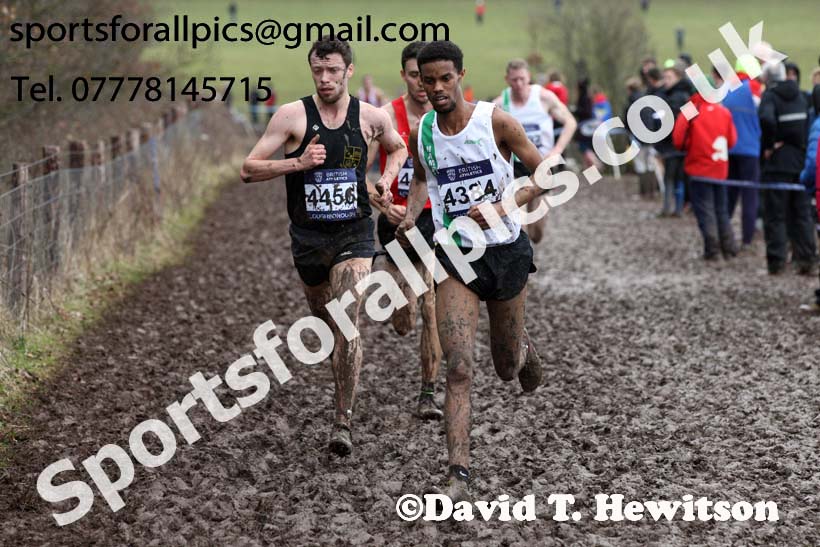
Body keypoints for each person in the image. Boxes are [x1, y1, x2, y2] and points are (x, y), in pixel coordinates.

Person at [239, 36, 408, 455]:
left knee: (347, 319)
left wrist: (386, 181)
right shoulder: (292, 116)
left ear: (349, 71)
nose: (326, 78)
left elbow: (398, 148)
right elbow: (248, 169)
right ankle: (341, 383)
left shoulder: (369, 116)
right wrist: (297, 163)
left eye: (334, 70)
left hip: (354, 234)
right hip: (309, 240)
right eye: (319, 70)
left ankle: (342, 421)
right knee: (329, 325)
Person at [396, 41, 544, 502]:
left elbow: (547, 173)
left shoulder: (495, 121)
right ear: (417, 80)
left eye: (445, 78)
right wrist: (407, 214)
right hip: (455, 257)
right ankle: (457, 473)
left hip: (505, 252)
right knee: (459, 368)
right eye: (428, 79)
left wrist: (505, 203)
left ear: (461, 75)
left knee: (504, 368)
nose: (437, 88)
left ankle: (521, 347)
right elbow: (423, 177)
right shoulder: (422, 132)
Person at [364, 41, 442, 420]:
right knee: (402, 319)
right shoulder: (383, 116)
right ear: (404, 75)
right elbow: (355, 171)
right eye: (414, 76)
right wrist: (382, 203)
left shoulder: (449, 115)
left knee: (430, 303)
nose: (422, 85)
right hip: (394, 219)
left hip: (434, 221)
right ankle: (398, 295)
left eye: (427, 77)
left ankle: (428, 394)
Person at [494, 59, 577, 243]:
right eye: (514, 80)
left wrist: (558, 149)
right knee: (520, 225)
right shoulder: (501, 104)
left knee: (537, 231)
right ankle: (523, 262)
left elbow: (570, 122)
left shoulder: (543, 98)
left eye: (522, 79)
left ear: (529, 77)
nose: (519, 84)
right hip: (515, 167)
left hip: (542, 165)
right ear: (507, 79)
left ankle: (530, 244)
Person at [759, 61, 818, 275]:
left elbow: (766, 119)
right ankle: (807, 260)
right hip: (800, 161)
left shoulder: (770, 96)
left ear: (767, 79)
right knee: (801, 214)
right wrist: (801, 142)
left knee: (775, 214)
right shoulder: (803, 95)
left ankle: (777, 262)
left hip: (777, 164)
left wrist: (769, 145)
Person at [673, 90, 738, 259]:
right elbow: (732, 140)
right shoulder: (723, 111)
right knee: (721, 209)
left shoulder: (691, 109)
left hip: (698, 168)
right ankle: (729, 247)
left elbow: (678, 138)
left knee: (704, 210)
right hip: (720, 168)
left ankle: (712, 249)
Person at [721, 58, 762, 249]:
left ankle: (725, 233)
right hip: (751, 149)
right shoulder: (753, 87)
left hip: (729, 149)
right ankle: (747, 239)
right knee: (749, 196)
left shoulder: (726, 89)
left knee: (729, 194)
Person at [657, 60, 692, 217]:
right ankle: (675, 208)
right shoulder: (680, 94)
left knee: (671, 177)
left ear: (677, 77)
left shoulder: (678, 96)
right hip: (677, 142)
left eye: (669, 77)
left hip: (675, 143)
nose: (666, 81)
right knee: (676, 177)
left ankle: (670, 208)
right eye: (664, 77)